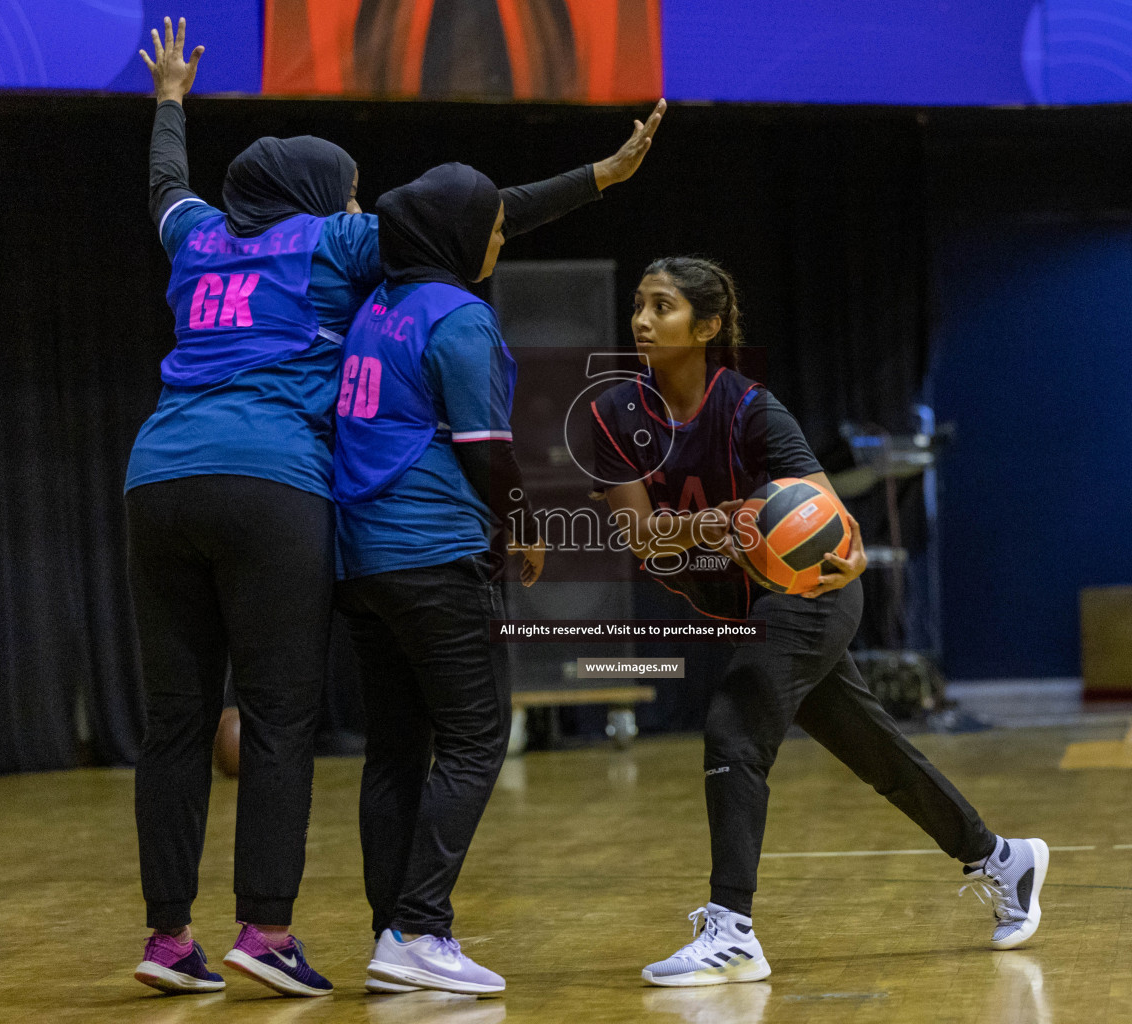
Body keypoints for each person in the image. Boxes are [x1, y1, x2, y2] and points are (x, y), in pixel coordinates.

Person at [127, 16, 664, 997]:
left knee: (175, 722)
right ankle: (269, 929)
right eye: (352, 190)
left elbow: (168, 186)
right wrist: (597, 178)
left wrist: (169, 101)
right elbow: (472, 211)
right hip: (273, 481)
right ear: (324, 201)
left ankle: (167, 937)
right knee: (283, 716)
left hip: (157, 474)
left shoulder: (198, 238)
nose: (364, 203)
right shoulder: (335, 245)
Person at [588, 256, 1050, 988]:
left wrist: (840, 549)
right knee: (875, 752)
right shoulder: (614, 417)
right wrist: (725, 523)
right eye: (639, 305)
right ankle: (1001, 857)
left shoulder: (750, 409)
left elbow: (829, 522)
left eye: (663, 307)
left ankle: (732, 930)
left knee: (735, 727)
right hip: (745, 603)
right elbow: (643, 539)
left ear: (706, 328)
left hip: (810, 593)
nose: (642, 320)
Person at [332, 163, 547, 997]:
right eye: (493, 224)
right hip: (432, 555)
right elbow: (487, 446)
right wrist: (524, 524)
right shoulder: (460, 318)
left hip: (362, 563)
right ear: (458, 233)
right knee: (475, 737)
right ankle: (421, 926)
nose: (499, 237)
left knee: (394, 751)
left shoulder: (372, 310)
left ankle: (394, 934)